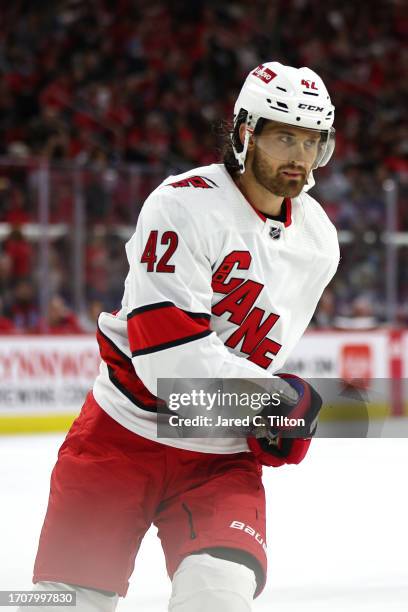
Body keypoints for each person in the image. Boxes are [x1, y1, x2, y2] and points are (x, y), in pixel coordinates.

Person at [23, 62, 339, 612]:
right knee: (66, 604)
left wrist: (267, 410)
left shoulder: (318, 239)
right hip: (121, 439)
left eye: (312, 141)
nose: (299, 156)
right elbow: (167, 359)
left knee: (216, 599)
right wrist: (271, 400)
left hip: (219, 459)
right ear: (245, 133)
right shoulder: (182, 204)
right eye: (284, 136)